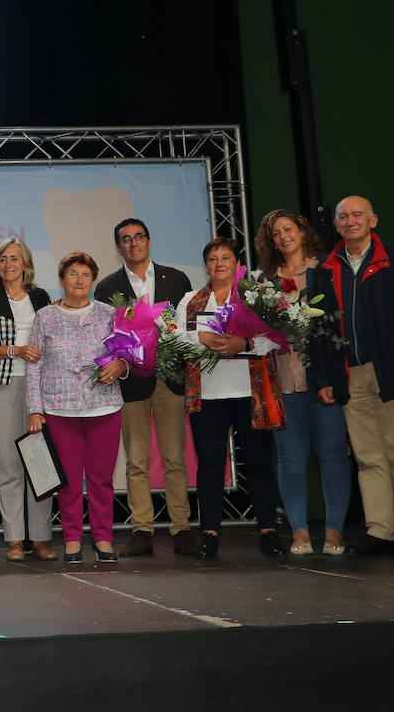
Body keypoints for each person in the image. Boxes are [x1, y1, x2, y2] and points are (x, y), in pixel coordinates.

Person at [310, 196, 394, 558]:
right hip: (350, 375)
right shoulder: (325, 269)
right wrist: (322, 378)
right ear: (336, 226)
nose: (350, 221)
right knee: (368, 458)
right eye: (343, 217)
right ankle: (380, 531)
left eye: (357, 215)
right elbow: (318, 329)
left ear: (373, 220)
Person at [93, 218, 196, 556]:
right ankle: (142, 530)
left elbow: (187, 328)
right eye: (126, 239)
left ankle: (181, 527)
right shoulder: (108, 287)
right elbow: (106, 338)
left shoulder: (177, 279)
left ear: (148, 241)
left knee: (174, 458)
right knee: (136, 461)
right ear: (119, 247)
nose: (133, 243)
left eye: (138, 237)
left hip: (169, 380)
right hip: (131, 383)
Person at [177, 237, 285, 559]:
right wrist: (202, 339)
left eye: (226, 257)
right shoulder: (190, 300)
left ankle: (267, 528)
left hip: (250, 393)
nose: (219, 263)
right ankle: (209, 532)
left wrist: (245, 344)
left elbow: (275, 338)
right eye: (212, 258)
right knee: (210, 464)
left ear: (238, 264)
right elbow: (177, 338)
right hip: (207, 397)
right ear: (206, 265)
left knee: (259, 462)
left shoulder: (257, 296)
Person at [254, 210, 351, 556]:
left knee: (333, 456)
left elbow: (337, 324)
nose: (282, 237)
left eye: (287, 229)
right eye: (276, 233)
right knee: (290, 457)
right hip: (284, 379)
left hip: (323, 377)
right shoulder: (264, 281)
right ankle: (299, 531)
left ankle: (335, 530)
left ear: (301, 231)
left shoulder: (326, 269)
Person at [25, 252, 127, 563]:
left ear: (93, 280)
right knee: (67, 480)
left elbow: (127, 355)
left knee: (101, 479)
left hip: (104, 407)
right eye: (73, 274)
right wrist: (34, 408)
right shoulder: (45, 317)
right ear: (61, 279)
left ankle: (103, 538)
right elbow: (34, 366)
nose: (79, 280)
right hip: (59, 409)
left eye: (85, 275)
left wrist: (121, 365)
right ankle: (71, 538)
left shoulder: (110, 314)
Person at [0, 238, 54, 561]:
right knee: (8, 464)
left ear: (25, 263)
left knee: (40, 463)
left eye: (14, 258)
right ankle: (13, 539)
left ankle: (40, 538)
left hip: (41, 387)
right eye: (3, 260)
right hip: (1, 385)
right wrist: (15, 351)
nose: (9, 264)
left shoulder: (42, 298)